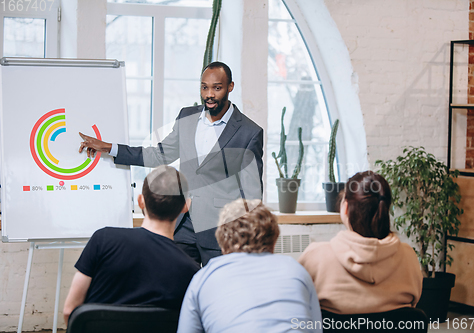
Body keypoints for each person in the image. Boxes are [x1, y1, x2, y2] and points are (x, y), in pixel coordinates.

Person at [79, 61, 263, 266]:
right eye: (204, 87)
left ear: (230, 87)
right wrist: (110, 147)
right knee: (176, 288)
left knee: (217, 291)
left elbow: (251, 193)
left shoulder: (249, 132)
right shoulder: (187, 117)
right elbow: (160, 155)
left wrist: (246, 239)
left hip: (220, 232)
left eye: (217, 88)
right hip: (182, 225)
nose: (209, 94)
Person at [63, 166, 200, 325]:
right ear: (186, 206)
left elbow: (69, 311)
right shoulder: (192, 271)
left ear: (141, 201)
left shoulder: (103, 239)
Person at [177, 199, 322, 333]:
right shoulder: (296, 270)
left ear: (222, 241)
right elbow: (316, 328)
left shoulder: (203, 279)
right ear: (274, 239)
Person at [298, 171, 423, 315]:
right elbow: (414, 303)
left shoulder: (315, 257)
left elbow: (298, 307)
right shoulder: (409, 257)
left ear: (345, 208)